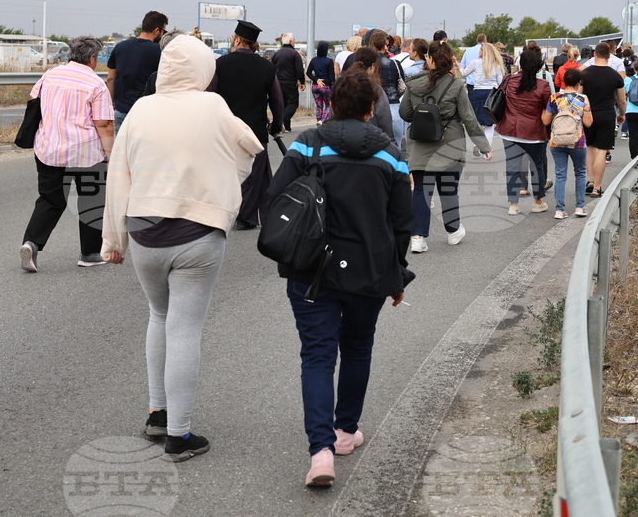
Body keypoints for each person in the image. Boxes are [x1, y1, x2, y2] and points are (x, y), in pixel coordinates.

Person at [101, 34, 263, 462]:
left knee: (159, 315)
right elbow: (251, 146)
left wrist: (111, 240)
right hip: (197, 231)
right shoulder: (212, 105)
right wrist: (222, 181)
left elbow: (118, 172)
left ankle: (157, 413)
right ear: (203, 68)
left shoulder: (139, 108)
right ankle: (179, 435)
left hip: (143, 231)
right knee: (186, 328)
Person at [264, 71, 413, 487]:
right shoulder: (390, 152)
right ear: (370, 109)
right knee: (358, 348)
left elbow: (276, 200)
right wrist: (397, 274)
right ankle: (345, 432)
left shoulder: (307, 143)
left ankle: (320, 452)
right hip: (370, 270)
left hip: (312, 270)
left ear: (331, 105)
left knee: (316, 355)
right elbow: (403, 223)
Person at [19, 37, 115, 272]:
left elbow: (34, 100)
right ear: (92, 58)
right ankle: (90, 254)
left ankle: (31, 243)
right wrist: (110, 154)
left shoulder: (51, 74)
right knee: (92, 199)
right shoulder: (95, 83)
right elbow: (103, 124)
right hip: (86, 152)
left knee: (50, 200)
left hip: (49, 148)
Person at [400, 41, 492, 253]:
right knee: (449, 189)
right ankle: (452, 232)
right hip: (450, 143)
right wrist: (483, 145)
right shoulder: (456, 85)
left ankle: (418, 237)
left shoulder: (413, 84)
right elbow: (468, 118)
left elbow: (405, 114)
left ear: (429, 59)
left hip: (420, 144)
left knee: (421, 190)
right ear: (450, 61)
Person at [213, 20, 284, 230]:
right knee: (253, 173)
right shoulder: (267, 67)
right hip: (255, 129)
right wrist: (277, 125)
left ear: (236, 40)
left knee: (226, 172)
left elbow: (210, 95)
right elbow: (277, 101)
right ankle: (246, 215)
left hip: (226, 129)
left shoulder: (220, 64)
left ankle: (232, 213)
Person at [496, 49, 552, 215]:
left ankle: (513, 205)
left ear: (519, 64)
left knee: (512, 167)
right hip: (534, 133)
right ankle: (537, 202)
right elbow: (548, 109)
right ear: (538, 66)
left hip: (509, 130)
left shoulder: (508, 80)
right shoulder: (543, 85)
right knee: (537, 167)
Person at [542, 66, 591, 219]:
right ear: (579, 83)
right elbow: (589, 123)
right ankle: (579, 207)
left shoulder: (554, 97)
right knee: (580, 172)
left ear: (563, 81)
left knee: (560, 174)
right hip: (577, 141)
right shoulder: (583, 99)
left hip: (557, 141)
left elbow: (545, 121)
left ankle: (559, 209)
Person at [107, 10, 167, 131]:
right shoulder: (158, 51)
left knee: (121, 149)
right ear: (156, 30)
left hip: (121, 110)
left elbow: (110, 78)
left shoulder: (120, 47)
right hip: (145, 112)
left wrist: (113, 103)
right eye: (163, 31)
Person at [581, 42, 626, 198]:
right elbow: (621, 100)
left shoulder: (585, 73)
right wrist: (622, 114)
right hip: (606, 115)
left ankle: (590, 180)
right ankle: (597, 188)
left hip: (588, 115)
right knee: (601, 151)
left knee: (589, 148)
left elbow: (579, 96)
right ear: (609, 55)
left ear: (595, 54)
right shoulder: (615, 76)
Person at [463, 42, 505, 146]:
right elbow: (500, 82)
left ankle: (476, 144)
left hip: (477, 93)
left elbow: (464, 73)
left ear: (484, 52)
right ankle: (487, 148)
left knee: (477, 122)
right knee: (489, 124)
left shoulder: (475, 63)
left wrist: (455, 64)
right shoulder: (496, 64)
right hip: (491, 94)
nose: (479, 51)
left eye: (480, 50)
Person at [371, 31, 406, 147]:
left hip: (375, 109)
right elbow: (402, 84)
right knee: (396, 149)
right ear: (385, 46)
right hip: (394, 107)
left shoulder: (370, 65)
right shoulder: (394, 64)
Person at [272, 33, 306, 133]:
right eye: (294, 40)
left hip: (278, 82)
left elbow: (271, 68)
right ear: (291, 41)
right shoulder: (294, 54)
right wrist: (302, 82)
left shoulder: (277, 53)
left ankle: (286, 126)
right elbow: (299, 70)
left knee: (283, 104)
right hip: (290, 82)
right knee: (292, 103)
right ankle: (283, 121)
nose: (295, 42)